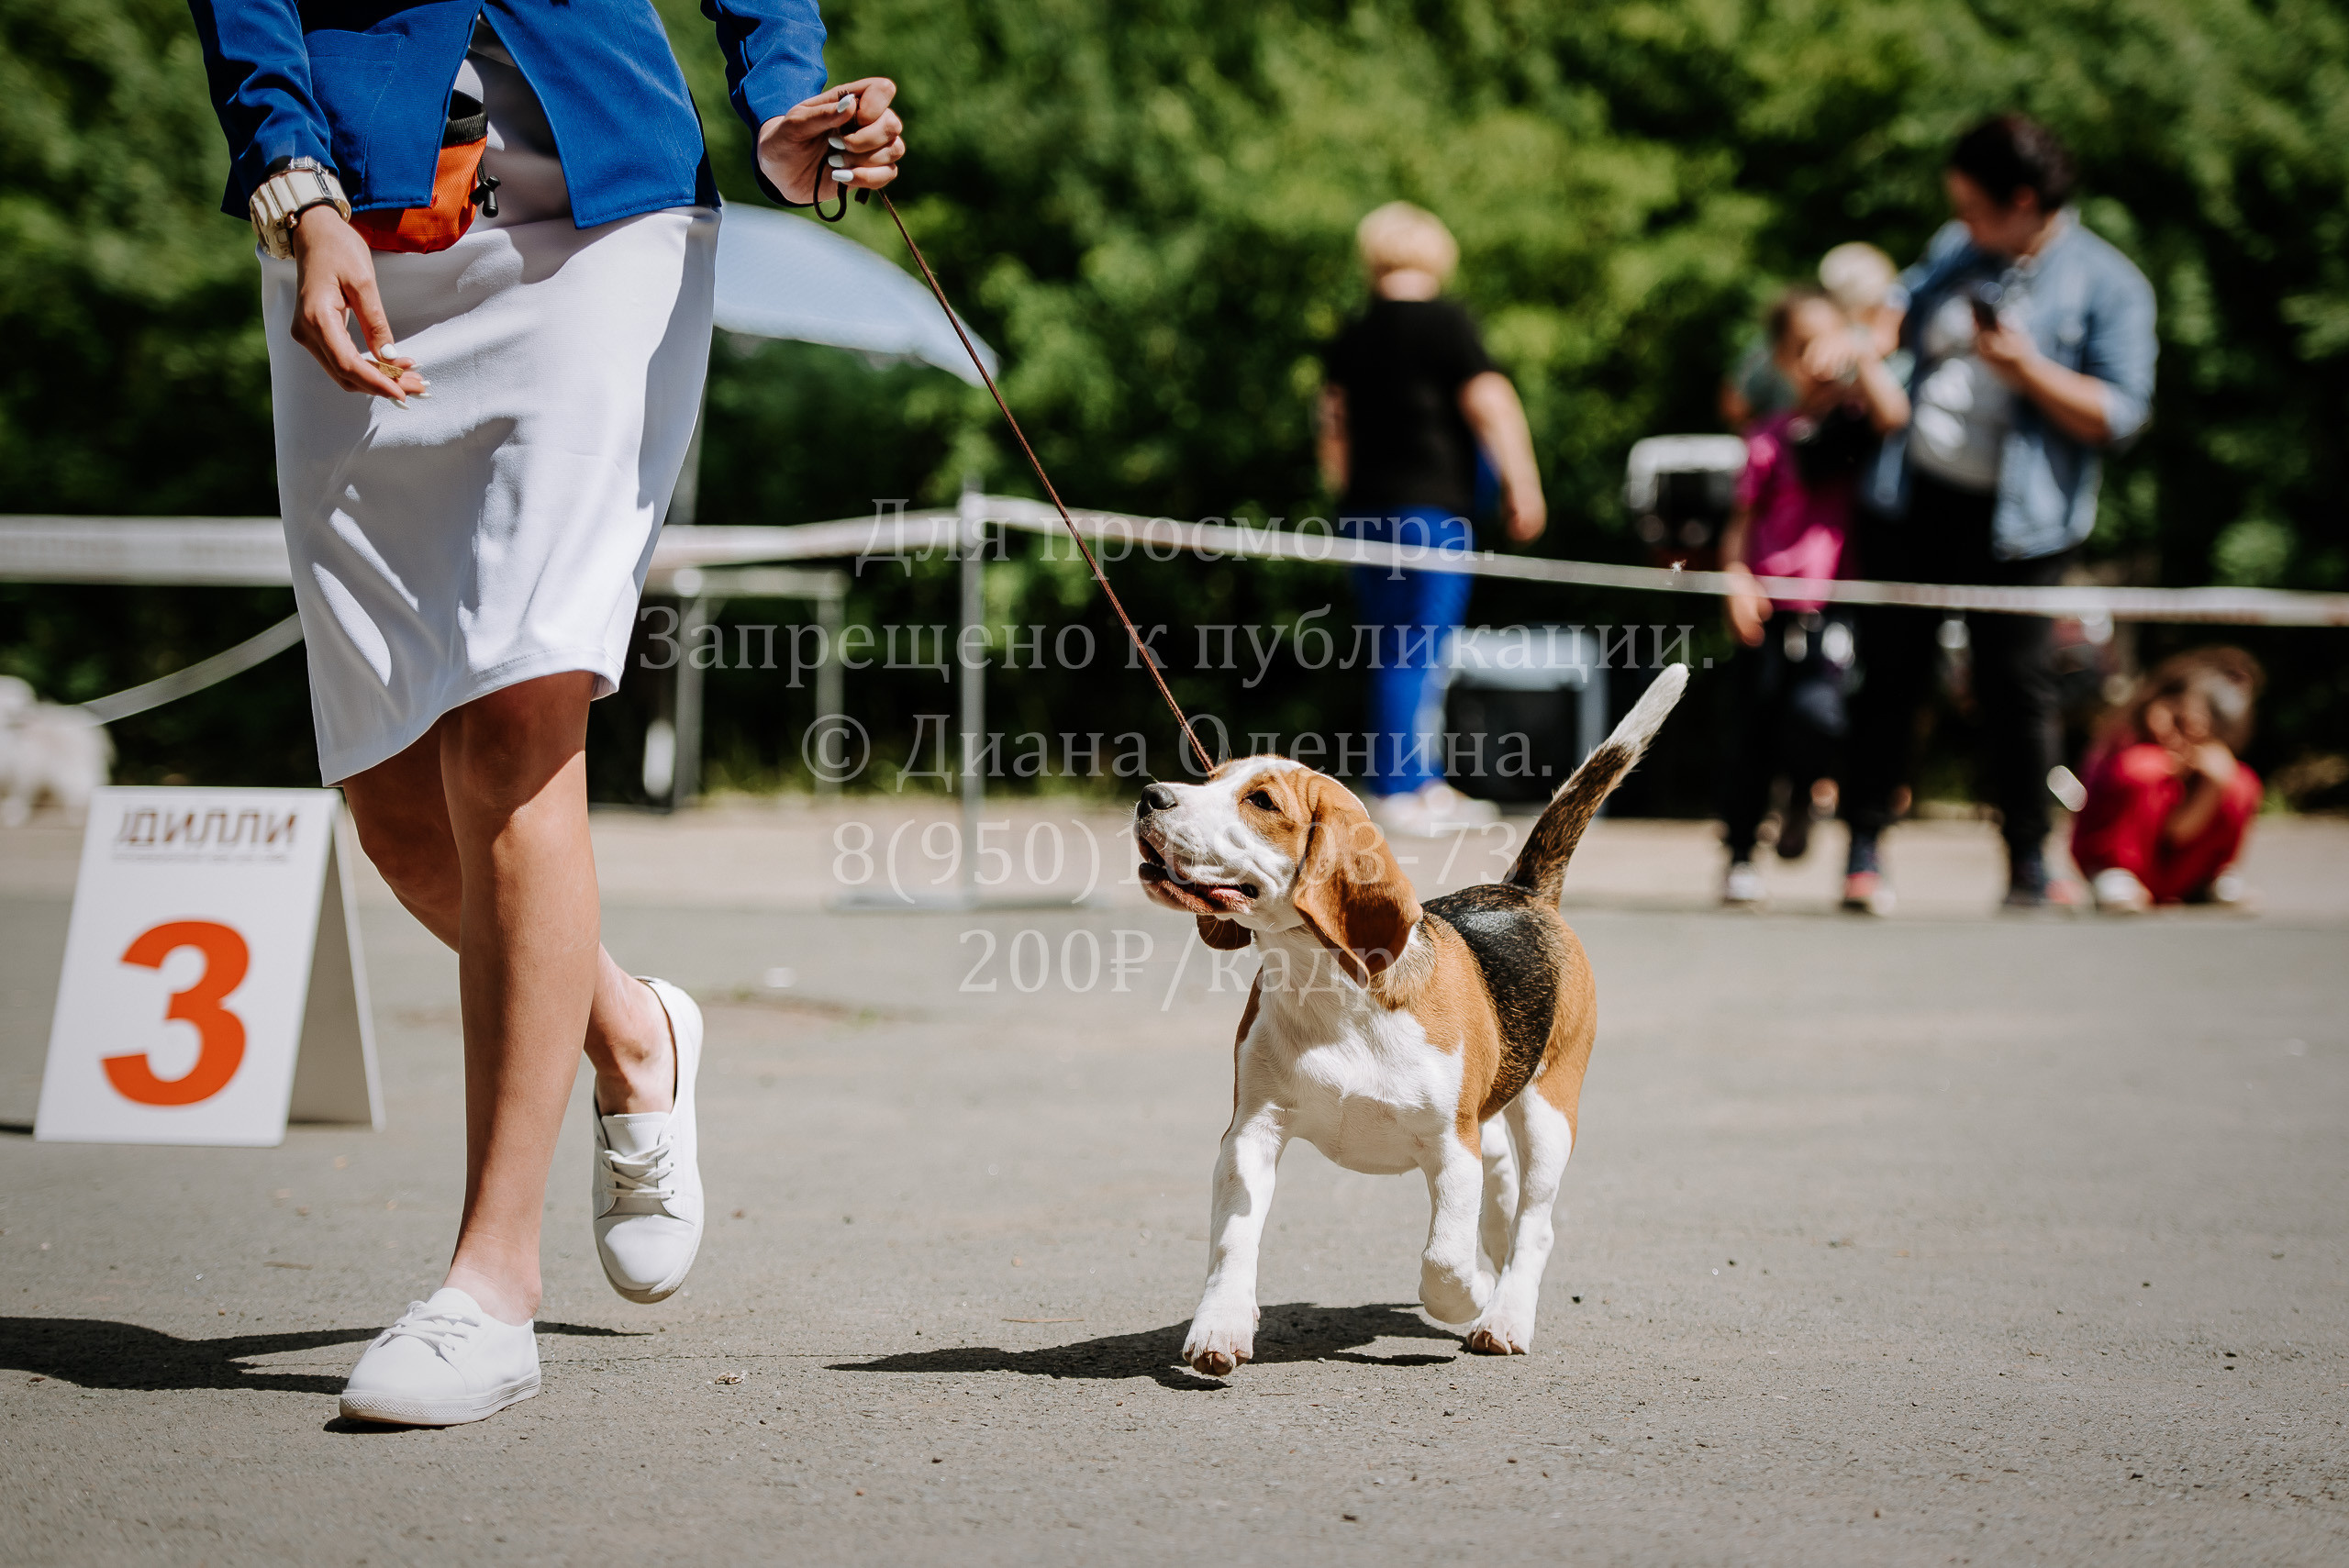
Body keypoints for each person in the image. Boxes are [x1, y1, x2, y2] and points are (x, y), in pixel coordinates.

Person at [190, 0, 905, 1426]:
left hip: (611, 234)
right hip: (356, 227)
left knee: (518, 722)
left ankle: (488, 1286)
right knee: (398, 811)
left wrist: (783, 103)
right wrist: (296, 181)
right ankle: (634, 1033)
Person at [1842, 115, 2157, 912]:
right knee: (1891, 678)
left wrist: (2029, 370)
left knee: (2017, 688)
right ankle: (1865, 850)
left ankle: (2026, 860)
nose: (1964, 221)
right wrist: (1866, 338)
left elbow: (2119, 415)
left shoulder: (2108, 282)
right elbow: (1900, 305)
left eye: (1976, 207)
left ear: (2024, 201)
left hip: (2021, 522)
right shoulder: (1958, 249)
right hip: (1911, 497)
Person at [1319, 202, 1546, 836]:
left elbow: (1332, 426)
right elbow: (1492, 404)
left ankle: (1411, 779)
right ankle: (1404, 785)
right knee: (1420, 647)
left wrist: (1346, 497)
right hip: (1431, 512)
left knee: (1390, 648)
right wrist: (1521, 484)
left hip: (1365, 514)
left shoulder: (1354, 333)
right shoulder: (1449, 324)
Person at [1718, 287, 1910, 906]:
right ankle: (1741, 851)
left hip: (1835, 606)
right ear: (1780, 359)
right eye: (1802, 349)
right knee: (1751, 729)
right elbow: (1741, 520)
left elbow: (1895, 413)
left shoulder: (1853, 428)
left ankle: (1807, 790)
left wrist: (1862, 352)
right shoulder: (1770, 436)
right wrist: (1735, 578)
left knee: (1821, 716)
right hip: (1771, 603)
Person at [2071, 649, 2263, 912]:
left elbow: (2179, 830)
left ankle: (2208, 877)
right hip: (2130, 859)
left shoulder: (2207, 762)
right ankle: (2114, 874)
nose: (2179, 736)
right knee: (2143, 767)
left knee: (2240, 781)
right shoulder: (2124, 746)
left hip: (2178, 863)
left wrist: (2214, 785)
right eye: (2179, 721)